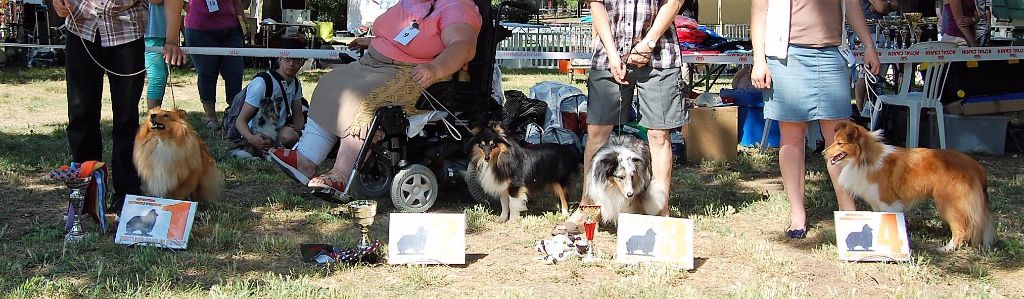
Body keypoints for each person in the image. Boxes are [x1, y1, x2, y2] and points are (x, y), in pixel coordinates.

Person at [255, 0, 482, 193]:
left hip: (412, 73)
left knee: (361, 101)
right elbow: (404, 34)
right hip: (374, 64)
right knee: (329, 84)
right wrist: (374, 41)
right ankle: (305, 160)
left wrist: (435, 69)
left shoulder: (457, 6)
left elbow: (462, 46)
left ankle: (340, 174)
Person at [750, 0, 881, 238]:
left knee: (840, 140)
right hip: (786, 55)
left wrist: (868, 44)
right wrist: (759, 60)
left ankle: (848, 211)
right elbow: (760, 11)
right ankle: (797, 215)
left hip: (833, 54)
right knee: (791, 137)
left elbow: (851, 5)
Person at [573, 0, 688, 222]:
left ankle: (661, 211)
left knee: (659, 135)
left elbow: (674, 2)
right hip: (609, 55)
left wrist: (648, 43)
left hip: (660, 56)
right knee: (596, 134)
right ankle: (588, 206)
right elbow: (596, 5)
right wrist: (612, 54)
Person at [52, 0, 147, 213]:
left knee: (127, 119)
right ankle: (87, 193)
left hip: (126, 31)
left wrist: (170, 37)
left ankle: (127, 193)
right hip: (81, 28)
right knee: (80, 114)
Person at [163, 0, 247, 128]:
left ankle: (234, 114)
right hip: (199, 28)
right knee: (206, 73)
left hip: (232, 28)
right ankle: (210, 117)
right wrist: (184, 5)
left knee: (234, 72)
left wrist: (243, 21)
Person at [229, 38, 308, 159]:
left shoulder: (296, 84)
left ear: (303, 62)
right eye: (288, 58)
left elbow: (298, 117)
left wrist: (297, 132)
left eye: (297, 60)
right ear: (280, 58)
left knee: (289, 136)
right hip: (254, 132)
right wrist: (251, 138)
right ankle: (260, 149)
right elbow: (240, 121)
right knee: (286, 136)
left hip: (277, 131)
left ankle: (271, 150)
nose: (292, 64)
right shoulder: (261, 83)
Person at [854, 0, 891, 114]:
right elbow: (881, 8)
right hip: (871, 34)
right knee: (867, 76)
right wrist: (888, 5)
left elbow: (895, 4)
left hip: (875, 34)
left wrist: (887, 5)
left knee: (870, 76)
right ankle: (863, 114)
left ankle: (867, 113)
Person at [145, 0, 168, 109]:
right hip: (151, 32)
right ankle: (153, 117)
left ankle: (155, 115)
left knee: (161, 75)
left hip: (162, 31)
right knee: (157, 76)